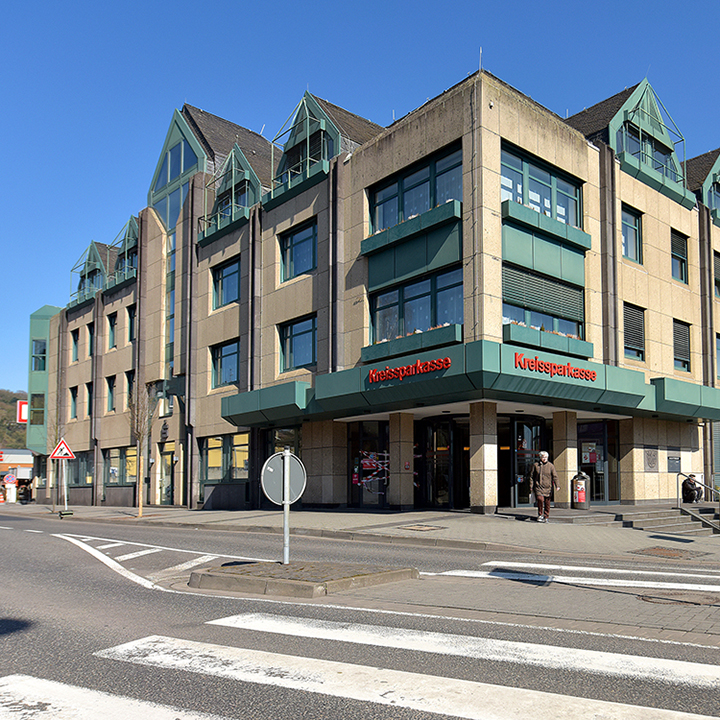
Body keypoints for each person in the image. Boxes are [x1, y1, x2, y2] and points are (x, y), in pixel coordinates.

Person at [531, 451, 558, 522]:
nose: (544, 458)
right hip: (538, 486)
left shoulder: (551, 466)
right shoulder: (536, 465)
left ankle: (546, 516)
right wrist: (531, 486)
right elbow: (531, 476)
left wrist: (557, 485)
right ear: (540, 457)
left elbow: (555, 476)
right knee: (540, 499)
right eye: (543, 457)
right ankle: (540, 514)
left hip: (548, 487)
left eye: (546, 457)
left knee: (547, 502)